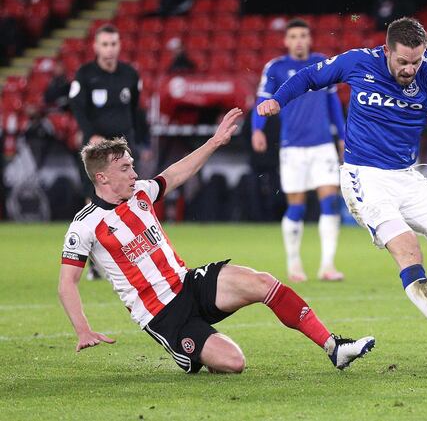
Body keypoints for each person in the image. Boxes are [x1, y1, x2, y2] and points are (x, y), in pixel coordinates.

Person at [58, 109, 375, 374]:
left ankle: (334, 346)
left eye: (131, 166)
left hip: (187, 284)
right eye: (125, 168)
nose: (133, 173)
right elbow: (67, 284)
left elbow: (177, 173)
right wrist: (83, 329)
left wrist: (215, 142)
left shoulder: (140, 193)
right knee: (234, 363)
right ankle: (187, 352)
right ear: (101, 177)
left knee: (262, 282)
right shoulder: (85, 225)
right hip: (163, 315)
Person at [258, 17, 427, 367]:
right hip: (364, 178)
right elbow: (309, 77)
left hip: (406, 178)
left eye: (416, 61)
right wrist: (278, 101)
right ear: (386, 51)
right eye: (402, 62)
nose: (410, 69)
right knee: (408, 250)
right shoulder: (358, 62)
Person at [251, 19, 347, 282]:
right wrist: (257, 129)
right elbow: (262, 101)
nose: (299, 40)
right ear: (286, 41)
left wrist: (343, 137)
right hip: (292, 148)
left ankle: (327, 265)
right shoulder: (277, 68)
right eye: (294, 36)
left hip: (323, 145)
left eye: (303, 35)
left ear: (310, 38)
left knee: (330, 201)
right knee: (296, 206)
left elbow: (333, 103)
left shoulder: (322, 64)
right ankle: (294, 264)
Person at [68, 24, 151, 280]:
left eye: (113, 44)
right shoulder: (85, 75)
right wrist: (90, 133)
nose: (109, 49)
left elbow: (136, 111)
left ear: (120, 45)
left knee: (128, 200)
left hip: (125, 150)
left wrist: (143, 142)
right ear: (95, 47)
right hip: (95, 152)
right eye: (104, 44)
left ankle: (127, 257)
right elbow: (77, 107)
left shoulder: (129, 74)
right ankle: (92, 261)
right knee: (94, 202)